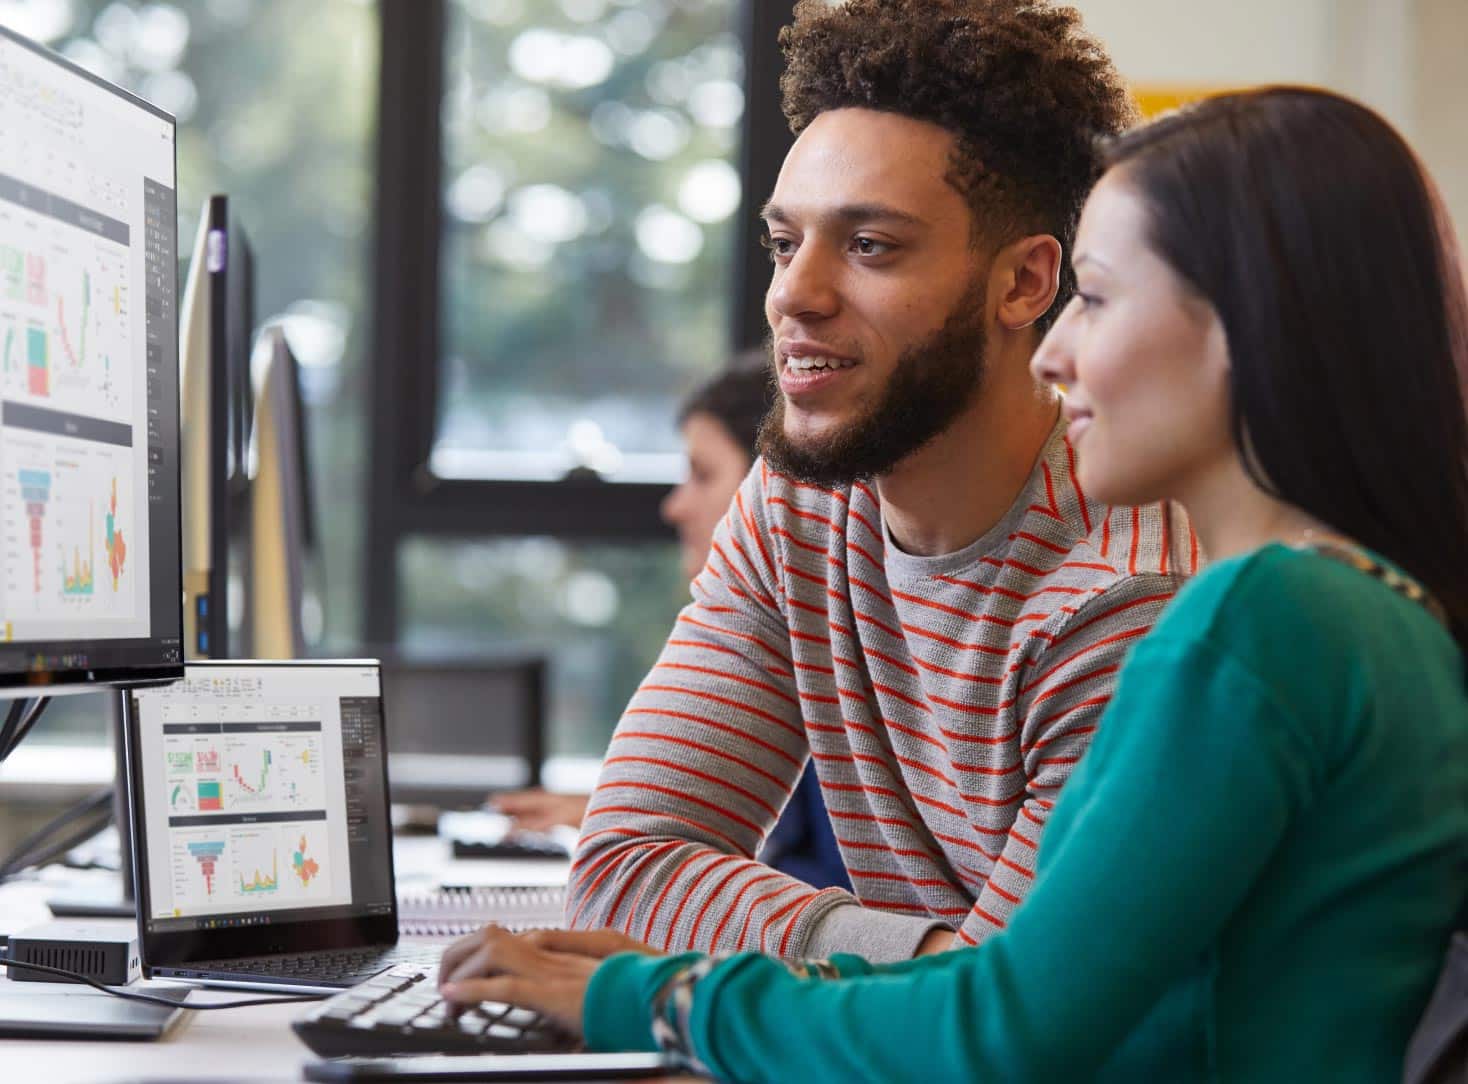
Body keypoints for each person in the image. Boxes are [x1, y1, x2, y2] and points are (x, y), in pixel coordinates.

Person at [437, 86, 1468, 1080]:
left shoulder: (1252, 623)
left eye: (1097, 301)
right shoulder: (1371, 609)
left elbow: (996, 1026)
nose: (1056, 351)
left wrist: (658, 997)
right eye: (783, 241)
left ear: (1246, 328)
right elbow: (1056, 1005)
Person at [559, 0, 1192, 964]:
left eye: (869, 247)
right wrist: (917, 959)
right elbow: (624, 870)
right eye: (784, 243)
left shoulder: (1119, 599)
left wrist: (837, 968)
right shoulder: (798, 507)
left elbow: (1014, 1021)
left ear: (1024, 285)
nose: (793, 295)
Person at [495, 359, 852, 890]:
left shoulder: (846, 661)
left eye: (703, 474)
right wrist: (628, 815)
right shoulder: (782, 636)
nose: (675, 506)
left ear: (772, 485)